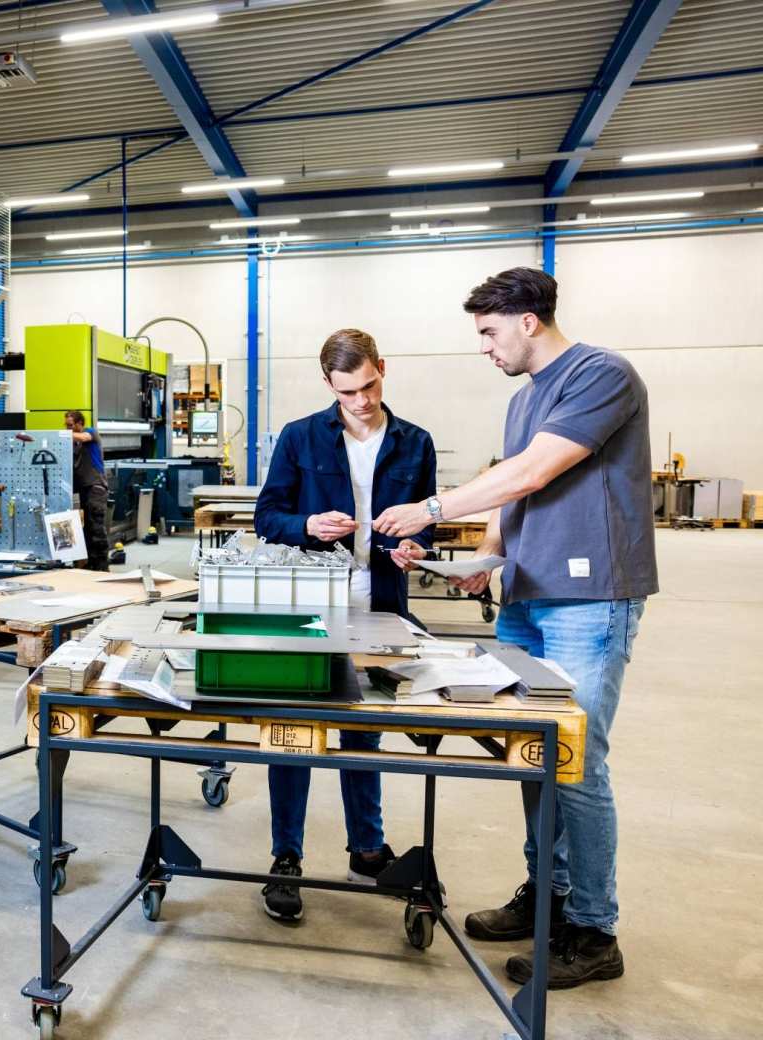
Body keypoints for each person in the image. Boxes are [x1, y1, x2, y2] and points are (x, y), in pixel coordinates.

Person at [372, 267, 657, 988]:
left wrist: (432, 509)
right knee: (534, 755)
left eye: (488, 332)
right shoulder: (524, 399)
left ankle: (594, 930)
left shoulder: (602, 375)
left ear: (528, 320)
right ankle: (550, 897)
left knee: (577, 762)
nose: (483, 348)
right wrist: (484, 557)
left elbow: (533, 472)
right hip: (529, 598)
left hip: (590, 602)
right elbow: (511, 490)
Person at [254, 328, 437, 922]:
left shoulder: (416, 443)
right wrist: (307, 525)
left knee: (364, 727)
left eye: (369, 386)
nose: (361, 401)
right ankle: (286, 856)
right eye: (348, 391)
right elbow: (267, 517)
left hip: (381, 599)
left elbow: (427, 522)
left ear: (383, 368)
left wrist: (415, 545)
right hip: (309, 603)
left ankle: (366, 845)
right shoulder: (301, 437)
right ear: (327, 384)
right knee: (295, 729)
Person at [64, 410, 110, 572]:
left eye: (70, 426)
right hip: (84, 489)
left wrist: (60, 435)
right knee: (88, 529)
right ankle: (92, 563)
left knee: (96, 527)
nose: (68, 429)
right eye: (66, 426)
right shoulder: (74, 443)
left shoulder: (91, 432)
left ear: (79, 424)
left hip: (96, 488)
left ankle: (102, 567)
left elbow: (83, 437)